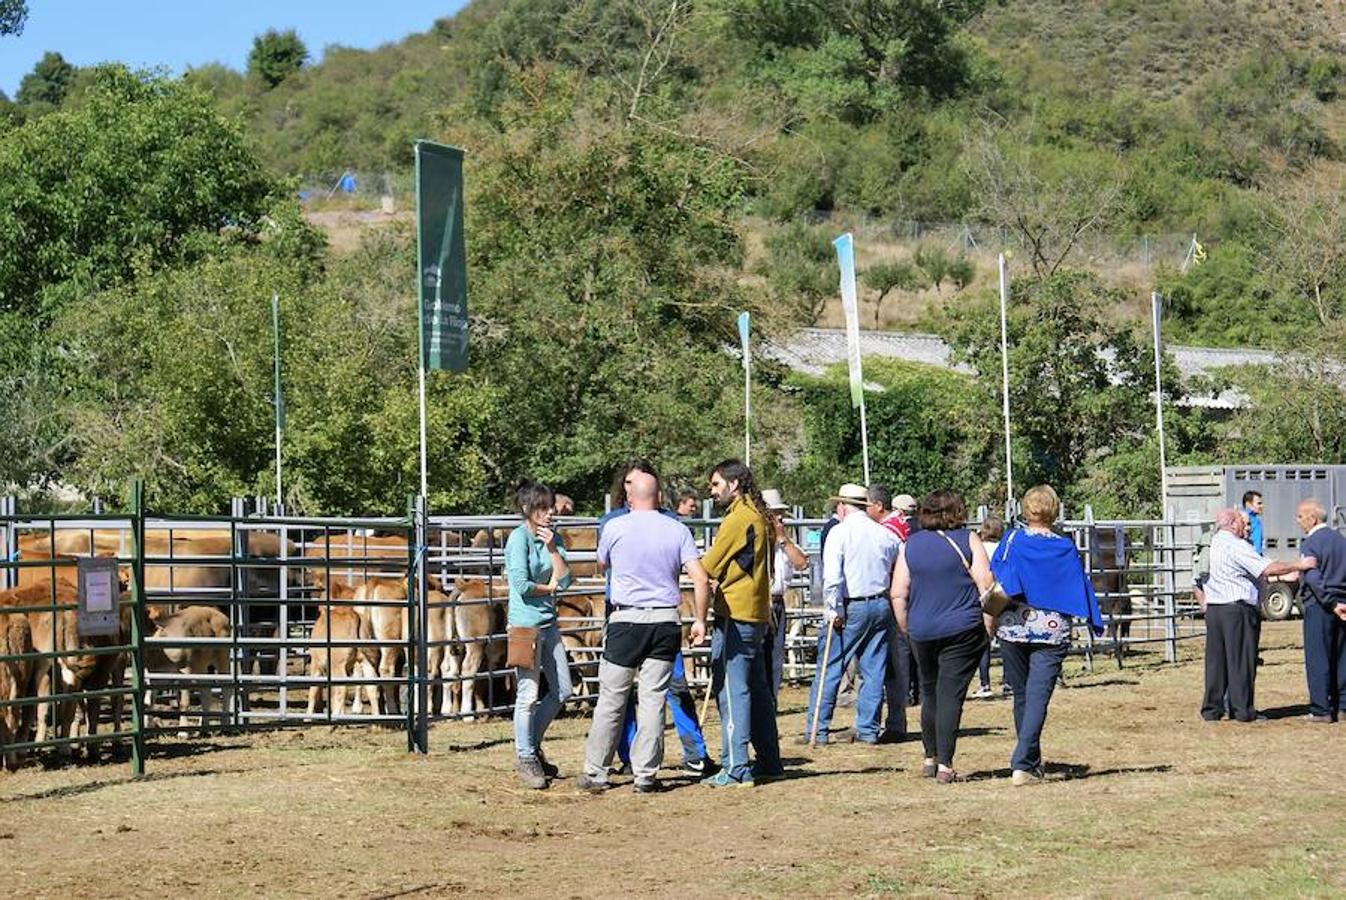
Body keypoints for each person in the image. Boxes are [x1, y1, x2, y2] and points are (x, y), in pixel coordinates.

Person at [576, 471, 711, 793]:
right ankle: (645, 775)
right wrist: (701, 620)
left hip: (626, 620)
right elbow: (701, 579)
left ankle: (596, 772)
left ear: (629, 498)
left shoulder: (614, 527)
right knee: (653, 700)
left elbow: (603, 563)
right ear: (660, 497)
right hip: (665, 621)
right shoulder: (677, 529)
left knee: (612, 699)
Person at [989, 487, 1105, 785]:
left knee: (1022, 696)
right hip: (1051, 630)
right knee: (1038, 696)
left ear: (1026, 509)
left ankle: (1028, 761)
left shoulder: (1012, 540)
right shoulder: (1065, 546)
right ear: (1054, 510)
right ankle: (1024, 763)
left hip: (1014, 625)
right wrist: (1093, 616)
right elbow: (1078, 582)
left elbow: (997, 572)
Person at [889, 490, 991, 783]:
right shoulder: (968, 539)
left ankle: (930, 756)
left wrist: (907, 627)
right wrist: (989, 627)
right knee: (950, 694)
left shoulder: (909, 545)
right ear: (957, 512)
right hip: (962, 627)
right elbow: (986, 584)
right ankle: (946, 763)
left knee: (930, 692)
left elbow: (898, 593)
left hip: (922, 629)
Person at [701, 459, 782, 787]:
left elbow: (708, 565)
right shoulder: (759, 515)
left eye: (716, 484)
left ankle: (736, 767)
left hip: (737, 613)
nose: (712, 491)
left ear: (734, 484)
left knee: (733, 690)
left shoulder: (739, 519)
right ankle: (769, 760)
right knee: (758, 689)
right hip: (757, 611)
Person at [800, 482, 901, 746]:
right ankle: (867, 729)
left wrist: (834, 609)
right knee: (873, 668)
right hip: (880, 602)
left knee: (830, 667)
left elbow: (832, 578)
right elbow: (897, 563)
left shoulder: (840, 533)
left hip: (850, 604)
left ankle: (818, 730)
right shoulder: (885, 534)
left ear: (843, 506)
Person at [1195, 507, 1313, 723]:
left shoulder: (1209, 544)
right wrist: (1298, 564)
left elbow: (1197, 576)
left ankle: (1212, 709)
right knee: (1241, 660)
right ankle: (1242, 710)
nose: (1246, 527)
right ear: (1232, 523)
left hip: (1215, 609)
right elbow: (1266, 568)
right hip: (1236, 609)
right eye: (1243, 522)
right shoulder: (1236, 545)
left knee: (1216, 661)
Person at [504, 480, 574, 789]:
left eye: (550, 508)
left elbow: (567, 578)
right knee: (528, 694)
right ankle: (526, 756)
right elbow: (520, 584)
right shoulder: (517, 539)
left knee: (563, 691)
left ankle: (531, 744)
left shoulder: (552, 539)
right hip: (525, 626)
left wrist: (551, 549)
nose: (549, 514)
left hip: (549, 623)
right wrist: (549, 589)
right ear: (527, 510)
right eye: (542, 508)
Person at [1295, 499, 1346, 723]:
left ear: (1312, 518)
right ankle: (1343, 706)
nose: (1298, 521)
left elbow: (1313, 577)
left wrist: (1329, 602)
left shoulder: (1310, 543)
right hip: (1343, 604)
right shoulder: (1341, 541)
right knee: (1342, 657)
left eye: (1300, 516)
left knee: (1318, 658)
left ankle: (1321, 709)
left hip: (1320, 605)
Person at [764, 488, 808, 698]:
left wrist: (783, 539)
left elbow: (801, 562)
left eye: (780, 513)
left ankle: (770, 705)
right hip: (760, 603)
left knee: (775, 658)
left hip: (778, 602)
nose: (780, 518)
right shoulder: (758, 541)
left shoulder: (785, 542)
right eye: (775, 513)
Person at [972, 516, 1006, 700]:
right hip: (1004, 593)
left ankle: (985, 683)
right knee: (1005, 636)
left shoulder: (980, 548)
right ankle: (1008, 681)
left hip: (985, 594)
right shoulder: (1004, 548)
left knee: (985, 638)